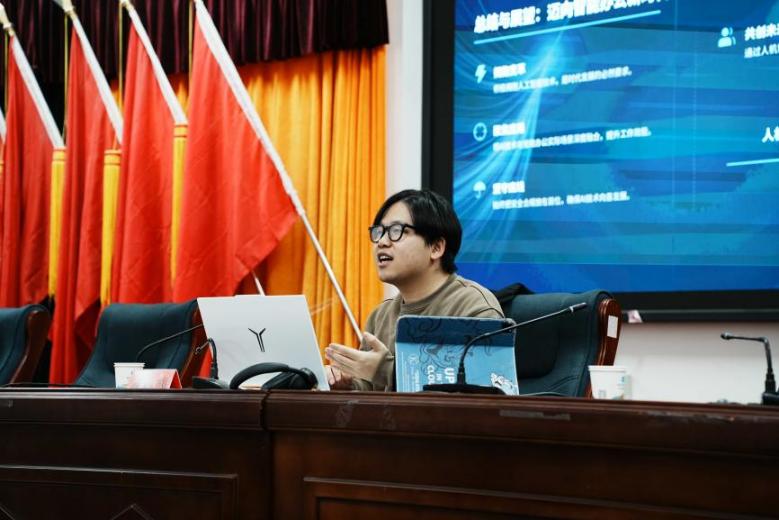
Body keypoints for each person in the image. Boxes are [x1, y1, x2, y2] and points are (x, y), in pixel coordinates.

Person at [325, 189, 503, 391]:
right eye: (379, 232)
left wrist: (387, 371)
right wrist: (345, 384)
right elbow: (370, 390)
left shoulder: (474, 308)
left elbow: (483, 396)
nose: (382, 242)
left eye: (397, 231)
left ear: (436, 247)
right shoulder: (380, 315)